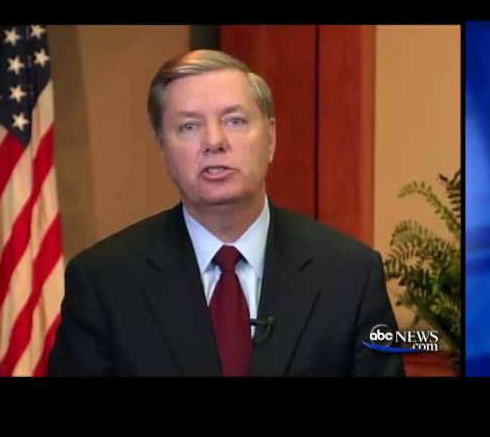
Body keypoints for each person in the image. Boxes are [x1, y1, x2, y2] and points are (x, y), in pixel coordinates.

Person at [48, 49, 404, 376]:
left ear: (271, 137)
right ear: (162, 148)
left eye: (234, 121)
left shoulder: (350, 275)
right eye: (189, 126)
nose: (214, 142)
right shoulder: (104, 283)